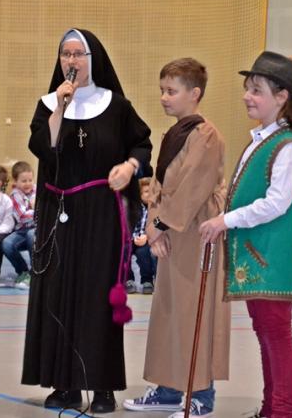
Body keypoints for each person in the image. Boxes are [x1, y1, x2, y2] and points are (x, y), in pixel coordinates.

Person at [22, 28, 152, 414]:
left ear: (93, 59)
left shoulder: (117, 106)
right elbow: (42, 147)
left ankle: (103, 386)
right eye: (65, 54)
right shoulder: (49, 105)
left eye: (78, 54)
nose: (71, 60)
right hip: (58, 214)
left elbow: (142, 144)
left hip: (101, 215)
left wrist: (130, 167)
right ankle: (64, 385)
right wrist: (60, 107)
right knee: (58, 295)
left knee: (97, 298)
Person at [199, 51, 292, 418]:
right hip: (259, 255)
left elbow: (275, 204)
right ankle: (271, 408)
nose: (247, 97)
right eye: (247, 89)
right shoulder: (264, 139)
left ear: (282, 97)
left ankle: (283, 411)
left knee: (276, 335)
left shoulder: (287, 146)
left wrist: (225, 220)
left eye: (256, 90)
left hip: (271, 255)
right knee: (266, 333)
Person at [124, 58, 229, 418]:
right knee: (169, 312)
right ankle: (169, 388)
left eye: (171, 91)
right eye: (162, 90)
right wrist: (154, 227)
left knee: (195, 312)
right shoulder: (173, 134)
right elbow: (158, 185)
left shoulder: (206, 135)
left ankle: (201, 394)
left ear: (194, 93)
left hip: (197, 234)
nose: (164, 97)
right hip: (169, 234)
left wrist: (161, 224)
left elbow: (192, 188)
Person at [0, 161, 36, 289]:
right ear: (16, 181)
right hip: (21, 231)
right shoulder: (15, 195)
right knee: (6, 243)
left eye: (30, 180)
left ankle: (35, 272)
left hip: (36, 229)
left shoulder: (37, 190)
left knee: (32, 234)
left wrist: (33, 210)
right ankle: (23, 271)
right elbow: (22, 217)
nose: (28, 183)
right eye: (24, 181)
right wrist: (36, 209)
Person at [126, 177, 157, 295]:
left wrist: (147, 237)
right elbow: (127, 224)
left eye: (152, 191)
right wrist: (132, 238)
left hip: (147, 239)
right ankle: (128, 280)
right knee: (125, 249)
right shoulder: (134, 207)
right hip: (132, 238)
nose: (150, 194)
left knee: (143, 252)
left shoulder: (156, 208)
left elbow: (157, 226)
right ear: (139, 194)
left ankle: (147, 281)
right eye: (146, 192)